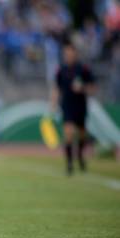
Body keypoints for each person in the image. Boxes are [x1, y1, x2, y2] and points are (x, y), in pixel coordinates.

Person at [50, 42, 96, 175]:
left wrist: (82, 88)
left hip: (80, 106)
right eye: (66, 54)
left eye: (70, 53)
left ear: (75, 54)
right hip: (67, 105)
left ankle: (80, 156)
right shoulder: (61, 70)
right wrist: (53, 102)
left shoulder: (83, 69)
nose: (68, 56)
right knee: (68, 133)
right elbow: (56, 87)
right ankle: (69, 164)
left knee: (81, 135)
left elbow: (93, 87)